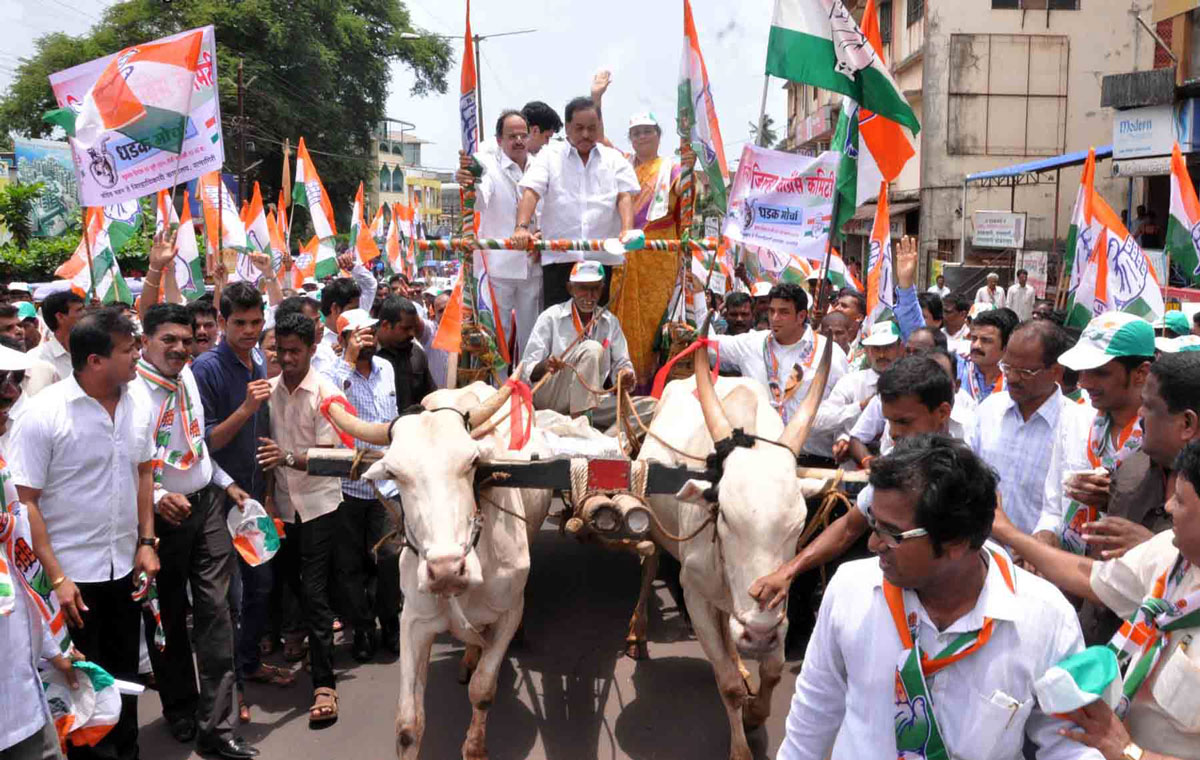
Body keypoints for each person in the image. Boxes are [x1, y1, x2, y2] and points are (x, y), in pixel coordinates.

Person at [777, 435, 1099, 760]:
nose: (874, 544)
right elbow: (815, 708)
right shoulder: (851, 589)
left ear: (956, 541)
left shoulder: (1045, 617)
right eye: (873, 523)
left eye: (891, 533)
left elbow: (1068, 744)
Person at [989, 439, 1200, 760]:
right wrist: (1010, 534)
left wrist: (1129, 752)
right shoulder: (1172, 555)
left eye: (1181, 501)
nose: (1168, 507)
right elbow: (1090, 576)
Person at [12, 308, 158, 760]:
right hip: (71, 580)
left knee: (123, 677)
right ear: (94, 361)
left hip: (125, 568)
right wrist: (56, 577)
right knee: (79, 686)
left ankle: (127, 749)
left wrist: (147, 543)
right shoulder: (43, 415)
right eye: (128, 349)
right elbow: (26, 501)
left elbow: (144, 471)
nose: (139, 356)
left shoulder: (141, 402)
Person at [131, 304, 258, 759]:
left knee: (216, 614)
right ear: (145, 341)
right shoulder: (131, 393)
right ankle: (180, 708)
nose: (180, 349)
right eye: (168, 340)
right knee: (166, 618)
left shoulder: (187, 377)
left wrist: (226, 484)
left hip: (206, 508)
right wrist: (159, 495)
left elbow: (196, 441)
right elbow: (125, 466)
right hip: (159, 519)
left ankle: (217, 727)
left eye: (186, 341)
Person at [751, 352, 967, 613]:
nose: (894, 433)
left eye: (903, 421)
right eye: (888, 421)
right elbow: (849, 528)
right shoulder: (896, 459)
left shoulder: (975, 451)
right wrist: (788, 571)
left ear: (942, 412)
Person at [191, 283, 294, 721]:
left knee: (261, 588)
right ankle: (231, 693)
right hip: (217, 501)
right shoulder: (205, 369)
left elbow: (262, 434)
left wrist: (267, 491)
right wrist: (246, 411)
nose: (250, 331)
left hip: (253, 502)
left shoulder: (257, 361)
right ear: (222, 322)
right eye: (240, 323)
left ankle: (248, 665)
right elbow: (205, 442)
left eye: (256, 323)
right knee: (226, 601)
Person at [256, 312, 346, 727]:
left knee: (313, 592)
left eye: (295, 351)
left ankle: (324, 684)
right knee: (291, 584)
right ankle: (313, 642)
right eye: (280, 350)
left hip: (320, 506)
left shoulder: (326, 394)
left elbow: (332, 458)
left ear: (313, 349)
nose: (286, 358)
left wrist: (288, 458)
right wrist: (271, 499)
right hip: (285, 510)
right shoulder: (267, 392)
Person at [0, 341, 80, 760]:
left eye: (13, 381)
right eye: (0, 385)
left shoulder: (3, 465)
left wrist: (54, 646)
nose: (10, 395)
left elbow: (20, 563)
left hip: (22, 688)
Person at [1033, 313, 1157, 558]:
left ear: (1141, 373)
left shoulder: (1160, 439)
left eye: (1100, 372)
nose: (1085, 382)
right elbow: (1053, 505)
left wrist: (1115, 501)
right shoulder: (1074, 420)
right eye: (1081, 371)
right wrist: (1045, 535)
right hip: (1065, 572)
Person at [323, 308, 401, 661]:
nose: (367, 338)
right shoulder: (329, 372)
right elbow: (328, 404)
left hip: (386, 485)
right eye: (359, 334)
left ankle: (392, 624)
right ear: (342, 339)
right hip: (348, 487)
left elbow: (393, 416)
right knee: (350, 565)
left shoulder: (386, 369)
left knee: (390, 558)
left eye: (370, 332)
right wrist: (349, 360)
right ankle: (364, 629)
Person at [513, 96, 640, 309]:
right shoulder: (549, 156)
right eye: (579, 128)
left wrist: (627, 230)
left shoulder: (614, 159)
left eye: (592, 128)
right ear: (568, 127)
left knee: (597, 324)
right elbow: (531, 191)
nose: (586, 134)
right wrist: (521, 228)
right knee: (558, 325)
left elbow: (624, 195)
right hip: (559, 259)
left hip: (600, 258)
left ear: (599, 126)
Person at [968, 319, 1092, 534]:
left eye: (1026, 372)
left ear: (1056, 371)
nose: (1012, 378)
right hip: (984, 551)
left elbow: (1068, 507)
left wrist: (1040, 543)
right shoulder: (989, 410)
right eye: (1006, 367)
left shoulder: (1080, 426)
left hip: (1039, 561)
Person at [456, 110, 542, 356]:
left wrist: (543, 234)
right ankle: (499, 389)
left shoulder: (540, 166)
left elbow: (550, 207)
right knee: (498, 336)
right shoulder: (488, 167)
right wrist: (469, 183)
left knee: (533, 337)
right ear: (499, 140)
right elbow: (481, 199)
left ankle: (528, 389)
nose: (518, 141)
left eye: (523, 135)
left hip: (532, 265)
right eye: (511, 135)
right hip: (499, 268)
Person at [608, 112, 685, 387]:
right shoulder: (623, 164)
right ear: (630, 138)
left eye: (647, 131)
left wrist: (688, 174)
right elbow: (600, 143)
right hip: (627, 253)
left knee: (652, 323)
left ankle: (649, 384)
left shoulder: (670, 167)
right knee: (621, 317)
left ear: (658, 135)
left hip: (658, 257)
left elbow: (684, 192)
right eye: (636, 132)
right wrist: (597, 99)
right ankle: (620, 379)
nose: (641, 136)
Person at [522, 261, 635, 424]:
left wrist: (625, 376)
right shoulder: (551, 317)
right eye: (583, 288)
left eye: (595, 288)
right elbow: (527, 369)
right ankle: (583, 425)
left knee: (650, 408)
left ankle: (583, 420)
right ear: (570, 289)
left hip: (593, 399)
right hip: (553, 398)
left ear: (602, 289)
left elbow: (622, 363)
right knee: (592, 348)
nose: (590, 296)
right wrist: (546, 365)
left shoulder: (610, 322)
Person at [823, 321, 904, 463]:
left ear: (900, 348)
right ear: (866, 350)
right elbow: (821, 419)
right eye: (876, 349)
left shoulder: (912, 382)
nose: (882, 355)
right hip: (853, 471)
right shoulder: (851, 382)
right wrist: (860, 407)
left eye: (888, 347)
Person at [375, 296, 435, 408]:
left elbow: (430, 396)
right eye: (406, 328)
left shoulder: (416, 354)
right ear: (385, 325)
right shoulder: (366, 355)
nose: (412, 334)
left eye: (413, 328)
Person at [960, 308, 1014, 403]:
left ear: (1006, 347)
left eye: (986, 341)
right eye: (974, 338)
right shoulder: (957, 369)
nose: (976, 345)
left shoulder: (1014, 381)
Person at [30, 290, 84, 382]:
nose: (85, 314)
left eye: (83, 309)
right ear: (60, 317)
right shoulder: (38, 358)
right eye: (79, 310)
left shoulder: (96, 349)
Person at [829, 288, 867, 368]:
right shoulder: (824, 340)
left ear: (859, 317)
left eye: (844, 306)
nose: (837, 308)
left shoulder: (869, 346)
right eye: (837, 304)